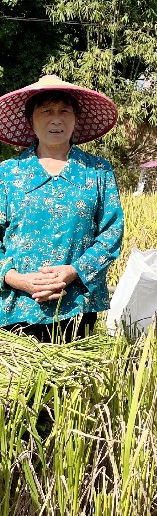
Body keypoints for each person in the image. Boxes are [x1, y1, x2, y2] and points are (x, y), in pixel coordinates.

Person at [0, 74, 123, 341]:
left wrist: (73, 271)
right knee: (22, 383)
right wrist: (15, 279)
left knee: (75, 382)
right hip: (18, 308)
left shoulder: (97, 171)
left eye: (64, 111)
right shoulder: (7, 174)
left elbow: (112, 233)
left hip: (78, 304)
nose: (56, 119)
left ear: (75, 119)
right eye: (46, 111)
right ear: (30, 121)